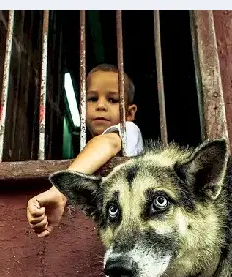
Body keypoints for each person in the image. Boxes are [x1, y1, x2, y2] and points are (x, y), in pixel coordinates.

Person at [26, 64, 144, 237]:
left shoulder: (130, 131)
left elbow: (108, 144)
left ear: (130, 112)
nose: (101, 106)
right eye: (92, 99)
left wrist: (60, 191)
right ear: (82, 106)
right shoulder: (88, 150)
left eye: (112, 100)